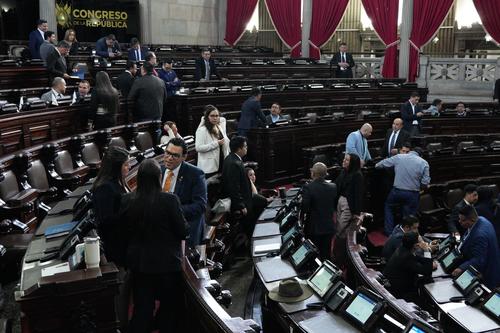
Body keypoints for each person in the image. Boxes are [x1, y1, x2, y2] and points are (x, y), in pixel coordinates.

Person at [119, 158, 189, 332]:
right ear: (159, 177)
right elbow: (182, 231)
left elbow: (123, 232)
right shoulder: (170, 200)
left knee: (142, 309)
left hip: (140, 264)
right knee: (168, 309)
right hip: (167, 265)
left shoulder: (127, 200)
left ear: (140, 178)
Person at [91, 146, 130, 330]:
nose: (128, 167)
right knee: (120, 294)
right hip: (116, 247)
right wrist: (130, 210)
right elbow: (105, 220)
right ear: (116, 166)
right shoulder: (105, 188)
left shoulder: (115, 183)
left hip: (124, 244)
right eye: (125, 164)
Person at [162, 138, 207, 247]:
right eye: (167, 153)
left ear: (184, 157)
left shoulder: (196, 174)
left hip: (187, 227)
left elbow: (200, 206)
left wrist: (173, 211)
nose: (169, 158)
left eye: (175, 155)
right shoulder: (159, 170)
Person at [376, 146, 430, 236]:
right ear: (420, 155)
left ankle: (389, 232)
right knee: (409, 216)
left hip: (397, 192)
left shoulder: (399, 156)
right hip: (412, 194)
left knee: (389, 207)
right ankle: (406, 234)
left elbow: (380, 165)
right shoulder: (424, 163)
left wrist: (375, 165)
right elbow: (425, 183)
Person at [452, 205, 500, 289]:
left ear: (472, 220)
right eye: (459, 219)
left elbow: (479, 260)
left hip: (487, 275)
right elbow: (468, 237)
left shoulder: (480, 235)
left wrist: (461, 268)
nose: (459, 222)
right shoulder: (480, 219)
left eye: (462, 220)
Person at [222, 136, 258, 235]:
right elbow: (234, 187)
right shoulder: (234, 163)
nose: (247, 149)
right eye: (245, 146)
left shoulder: (232, 158)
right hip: (242, 202)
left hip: (245, 198)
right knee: (249, 226)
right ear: (239, 148)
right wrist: (241, 206)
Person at [383, 232, 435, 301]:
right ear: (416, 246)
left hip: (395, 285)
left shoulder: (403, 248)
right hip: (401, 293)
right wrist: (426, 250)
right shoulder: (406, 257)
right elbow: (427, 272)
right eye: (421, 241)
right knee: (428, 281)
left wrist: (428, 262)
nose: (423, 242)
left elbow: (416, 258)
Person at [301, 162, 337, 261]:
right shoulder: (333, 187)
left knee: (314, 256)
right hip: (328, 227)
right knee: (326, 255)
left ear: (313, 173)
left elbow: (305, 208)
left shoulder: (308, 188)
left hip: (314, 228)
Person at [333, 153, 364, 268]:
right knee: (339, 228)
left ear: (352, 163)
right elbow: (336, 185)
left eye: (346, 160)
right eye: (344, 159)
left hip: (349, 205)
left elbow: (358, 195)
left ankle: (339, 258)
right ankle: (339, 255)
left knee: (341, 229)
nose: (344, 161)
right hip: (340, 201)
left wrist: (357, 212)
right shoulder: (344, 171)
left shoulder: (357, 175)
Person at [195, 105, 230, 177]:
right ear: (207, 117)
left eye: (217, 116)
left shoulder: (219, 127)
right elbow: (198, 148)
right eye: (212, 116)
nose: (215, 118)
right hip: (209, 167)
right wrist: (216, 143)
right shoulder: (202, 130)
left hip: (221, 162)